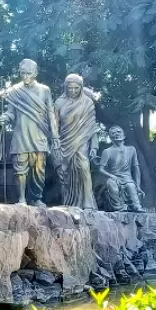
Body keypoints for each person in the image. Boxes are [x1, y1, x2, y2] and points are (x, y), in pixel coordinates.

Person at [2, 58, 58, 205]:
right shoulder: (14, 91)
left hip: (39, 135)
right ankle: (21, 199)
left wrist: (55, 135)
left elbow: (51, 113)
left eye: (29, 73)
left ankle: (35, 198)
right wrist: (5, 118)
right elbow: (11, 113)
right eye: (23, 73)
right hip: (21, 135)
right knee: (20, 169)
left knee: (39, 170)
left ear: (36, 73)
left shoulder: (44, 90)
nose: (26, 76)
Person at [55, 74, 99, 209]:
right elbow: (54, 125)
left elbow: (92, 126)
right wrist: (54, 143)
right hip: (64, 142)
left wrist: (94, 146)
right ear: (65, 87)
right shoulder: (59, 103)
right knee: (65, 174)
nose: (73, 91)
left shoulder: (87, 102)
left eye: (76, 88)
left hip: (82, 140)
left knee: (84, 167)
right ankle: (69, 202)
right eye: (70, 88)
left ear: (81, 87)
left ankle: (88, 201)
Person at [94, 125, 144, 211]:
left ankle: (136, 206)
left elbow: (136, 169)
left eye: (119, 132)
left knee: (131, 186)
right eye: (113, 133)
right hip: (114, 178)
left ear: (124, 135)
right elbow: (101, 169)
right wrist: (112, 176)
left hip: (128, 179)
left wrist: (138, 186)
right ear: (110, 137)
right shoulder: (107, 151)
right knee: (111, 185)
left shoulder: (131, 150)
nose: (116, 134)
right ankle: (119, 207)